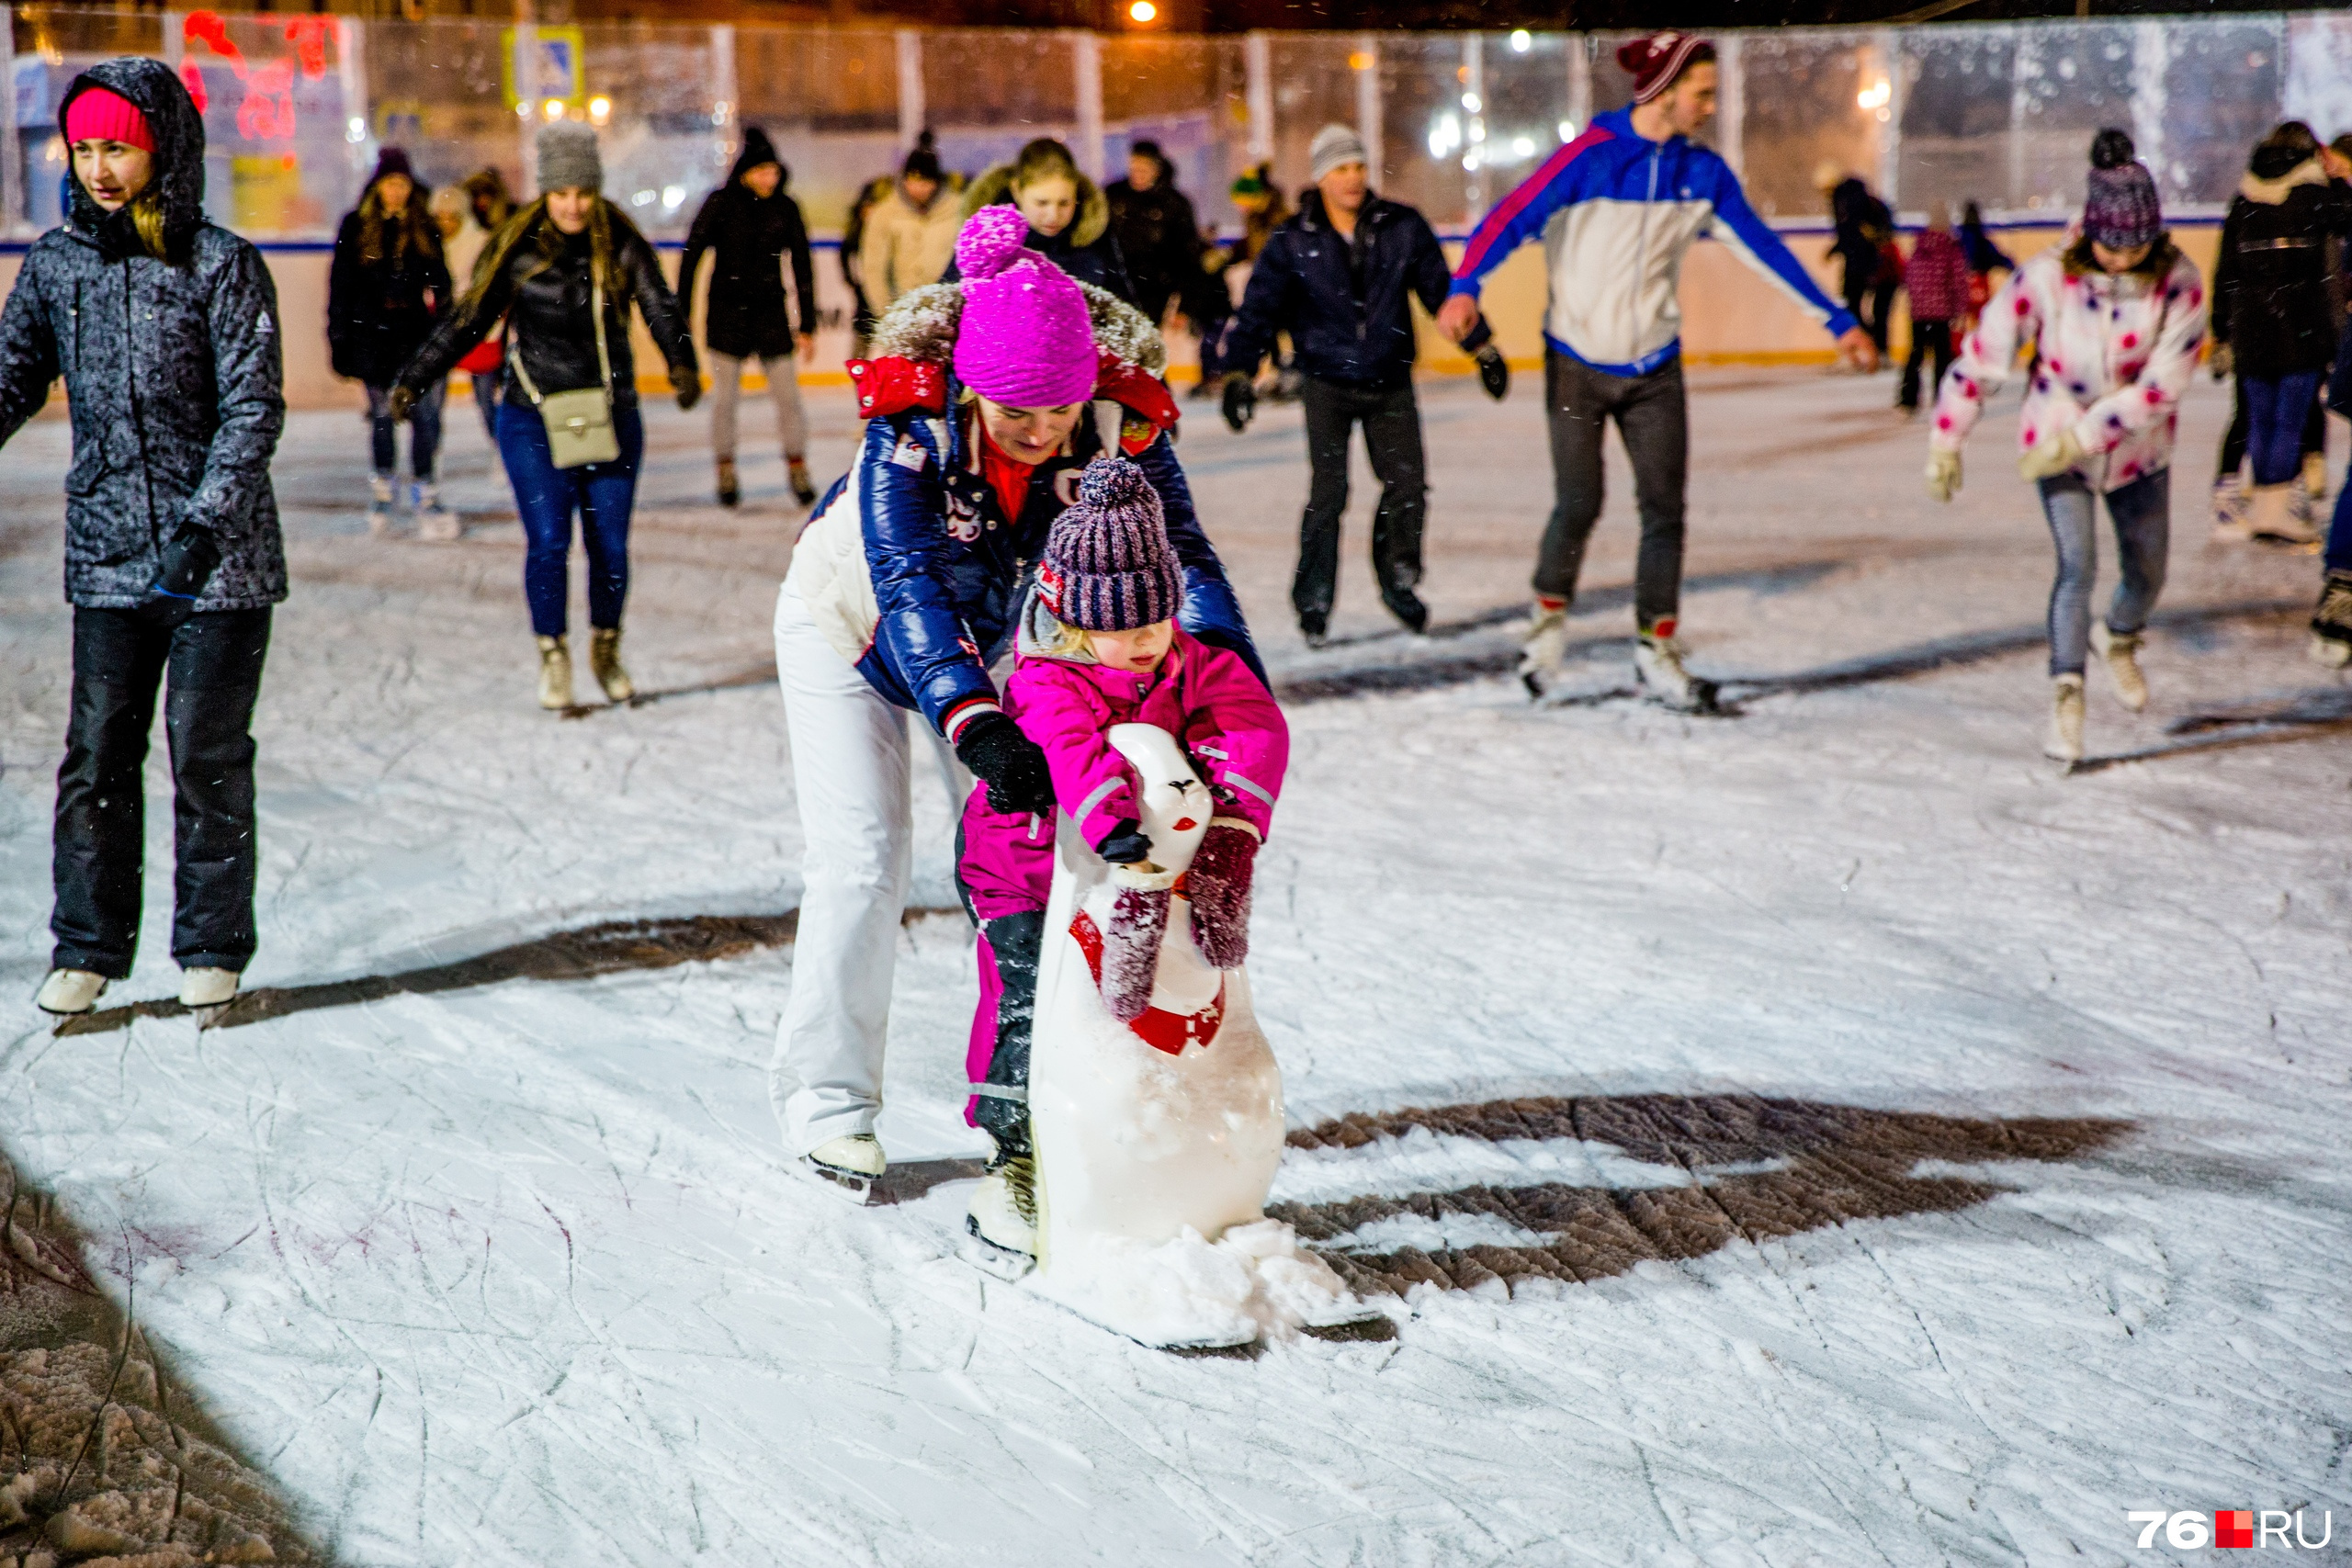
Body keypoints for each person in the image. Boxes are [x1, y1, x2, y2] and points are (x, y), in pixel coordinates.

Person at [770, 205, 1259, 1197]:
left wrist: (1226, 672)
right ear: (968, 385)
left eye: (1058, 411)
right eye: (1014, 413)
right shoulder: (907, 433)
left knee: (1025, 860)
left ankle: (1022, 1094)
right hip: (849, 625)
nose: (1041, 436)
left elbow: (1185, 559)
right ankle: (827, 1105)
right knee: (863, 859)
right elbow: (907, 582)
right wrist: (972, 716)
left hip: (1000, 639)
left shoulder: (1118, 427)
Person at [1437, 32, 1876, 709]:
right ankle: (1546, 629)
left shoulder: (1702, 174)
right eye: (1701, 94)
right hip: (1576, 363)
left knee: (1664, 511)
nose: (1709, 106)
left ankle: (1656, 648)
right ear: (1662, 92)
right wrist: (1467, 283)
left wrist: (1837, 319)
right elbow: (1511, 214)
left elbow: (1763, 247)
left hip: (1655, 369)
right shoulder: (1589, 159)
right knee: (1579, 503)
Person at [0, 59, 286, 1018]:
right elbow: (14, 379)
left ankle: (211, 943)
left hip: (221, 566)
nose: (99, 167)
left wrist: (204, 533)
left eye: (117, 144)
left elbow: (252, 409)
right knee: (97, 757)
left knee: (205, 755)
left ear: (162, 146)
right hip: (111, 557)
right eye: (84, 147)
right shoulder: (56, 266)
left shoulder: (219, 264)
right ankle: (86, 946)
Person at [953, 456, 1287, 1258]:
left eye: (1155, 621)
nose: (1142, 642)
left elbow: (1254, 718)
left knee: (1130, 1019)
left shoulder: (1184, 657)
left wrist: (1233, 828)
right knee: (1027, 1002)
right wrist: (1110, 825)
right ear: (1074, 620)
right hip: (1024, 872)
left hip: (1126, 871)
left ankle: (1134, 1156)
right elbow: (1069, 745)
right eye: (1122, 625)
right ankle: (1013, 1158)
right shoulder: (1045, 677)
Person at [392, 120, 699, 712]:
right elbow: (469, 320)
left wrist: (681, 363)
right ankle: (553, 655)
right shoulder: (519, 247)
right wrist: (416, 375)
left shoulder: (619, 243)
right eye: (562, 194)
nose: (573, 206)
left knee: (610, 547)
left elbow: (659, 304)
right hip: (533, 417)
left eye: (583, 192)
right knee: (550, 541)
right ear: (546, 192)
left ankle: (606, 649)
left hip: (610, 415)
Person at [1924, 130, 2205, 763]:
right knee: (2077, 566)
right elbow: (1982, 359)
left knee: (2148, 572)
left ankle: (2122, 636)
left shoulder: (2179, 282)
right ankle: (2067, 697)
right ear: (2091, 231)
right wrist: (1947, 440)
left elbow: (2163, 387)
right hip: (2055, 443)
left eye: (2137, 246)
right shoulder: (2047, 277)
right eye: (2111, 245)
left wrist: (2085, 435)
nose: (2123, 259)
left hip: (2139, 452)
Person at [1218, 125, 1500, 645]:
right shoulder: (1292, 239)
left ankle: (1398, 578)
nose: (1351, 178)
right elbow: (1260, 310)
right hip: (1326, 381)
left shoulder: (1402, 226)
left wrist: (1480, 345)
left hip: (1389, 378)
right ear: (1321, 176)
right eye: (1339, 168)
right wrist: (1237, 372)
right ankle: (1314, 602)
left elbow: (1441, 292)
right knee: (1329, 496)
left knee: (1408, 488)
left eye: (1358, 166)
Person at [2210, 123, 2352, 547]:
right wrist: (2338, 179)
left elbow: (2225, 270)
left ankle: (2261, 508)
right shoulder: (2312, 196)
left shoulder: (2243, 200)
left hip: (2250, 323)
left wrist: (2221, 328)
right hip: (2300, 321)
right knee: (2291, 419)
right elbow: (2348, 217)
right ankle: (2275, 512)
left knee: (2258, 416)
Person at [681, 127, 820, 508]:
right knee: (725, 400)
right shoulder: (721, 204)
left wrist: (806, 325)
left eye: (773, 171)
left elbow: (804, 268)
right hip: (726, 316)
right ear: (744, 172)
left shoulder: (786, 208)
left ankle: (797, 466)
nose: (768, 179)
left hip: (771, 316)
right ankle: (725, 469)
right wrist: (681, 315)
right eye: (761, 171)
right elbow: (691, 256)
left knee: (788, 398)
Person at [329, 148, 453, 538]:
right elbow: (341, 288)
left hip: (414, 335)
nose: (396, 191)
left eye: (402, 184)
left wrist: (444, 330)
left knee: (424, 416)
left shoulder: (422, 225)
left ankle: (426, 490)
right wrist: (340, 337)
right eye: (389, 184)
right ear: (378, 187)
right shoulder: (356, 227)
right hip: (373, 337)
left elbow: (442, 282)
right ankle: (384, 490)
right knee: (383, 416)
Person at [946, 137, 1133, 302]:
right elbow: (946, 302)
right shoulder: (986, 241)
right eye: (1042, 203)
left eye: (1064, 203)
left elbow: (1126, 317)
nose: (1053, 215)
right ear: (1017, 190)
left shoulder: (1095, 241)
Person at [1197, 163, 1292, 397]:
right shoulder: (1256, 218)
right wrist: (1226, 255)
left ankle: (1288, 373)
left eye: (1242, 201)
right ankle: (1279, 374)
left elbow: (1281, 250)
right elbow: (1250, 246)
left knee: (1281, 328)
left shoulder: (1278, 217)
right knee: (1268, 329)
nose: (1240, 208)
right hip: (1268, 281)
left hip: (1286, 281)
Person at [856, 131, 960, 320]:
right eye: (913, 180)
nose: (918, 187)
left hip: (946, 314)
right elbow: (873, 268)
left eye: (925, 181)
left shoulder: (958, 211)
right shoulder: (885, 213)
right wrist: (887, 315)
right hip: (902, 313)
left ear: (936, 182)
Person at [1105, 140, 1206, 327]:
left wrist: (1186, 306)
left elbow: (1188, 256)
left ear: (1156, 170)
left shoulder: (1174, 204)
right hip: (1116, 284)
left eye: (1144, 169)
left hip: (1156, 290)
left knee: (1145, 344)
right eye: (1134, 168)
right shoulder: (1113, 196)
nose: (1138, 175)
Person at [432, 183, 503, 446]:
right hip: (439, 328)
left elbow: (491, 288)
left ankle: (501, 451)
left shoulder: (482, 243)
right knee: (432, 402)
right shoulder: (429, 245)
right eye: (439, 217)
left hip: (476, 327)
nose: (445, 223)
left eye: (451, 216)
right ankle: (429, 456)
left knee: (486, 397)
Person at [1819, 161, 1899, 360]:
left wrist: (1838, 250)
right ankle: (1877, 347)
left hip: (1860, 265)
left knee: (1853, 307)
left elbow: (1849, 234)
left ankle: (1865, 345)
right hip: (1871, 265)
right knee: (1875, 311)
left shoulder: (1843, 201)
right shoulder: (1864, 202)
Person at [1899, 200, 1971, 416]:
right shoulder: (1951, 247)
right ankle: (1943, 400)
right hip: (1941, 313)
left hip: (1920, 313)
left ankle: (1908, 400)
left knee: (1915, 354)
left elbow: (1909, 277)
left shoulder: (1919, 246)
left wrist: (1915, 302)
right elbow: (1959, 281)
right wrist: (1960, 310)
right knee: (1942, 358)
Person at [841, 174, 894, 361]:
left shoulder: (891, 230)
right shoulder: (857, 233)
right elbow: (846, 255)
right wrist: (854, 282)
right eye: (868, 206)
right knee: (859, 355)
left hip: (890, 299)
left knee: (894, 353)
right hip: (865, 302)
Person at [1956, 199, 2013, 329]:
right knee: (1982, 323)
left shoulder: (1958, 242)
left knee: (1961, 323)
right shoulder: (1983, 242)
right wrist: (2011, 266)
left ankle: (1960, 348)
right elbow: (1998, 258)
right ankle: (1979, 346)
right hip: (1980, 283)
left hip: (1962, 284)